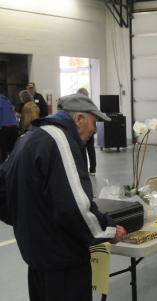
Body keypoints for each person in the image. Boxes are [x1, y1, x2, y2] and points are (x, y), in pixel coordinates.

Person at [0, 93, 126, 301]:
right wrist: (107, 228)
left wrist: (28, 224)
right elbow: (74, 206)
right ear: (79, 119)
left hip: (37, 260)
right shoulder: (61, 140)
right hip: (64, 263)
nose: (95, 129)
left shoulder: (28, 137)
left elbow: (3, 191)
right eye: (94, 122)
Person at [77, 87, 96, 175]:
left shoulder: (78, 105)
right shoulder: (90, 105)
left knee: (86, 149)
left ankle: (88, 169)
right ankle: (92, 170)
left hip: (85, 130)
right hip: (87, 130)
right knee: (89, 149)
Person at [0, 87, 19, 162]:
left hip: (5, 129)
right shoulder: (7, 100)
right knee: (12, 150)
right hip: (14, 128)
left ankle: (3, 170)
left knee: (3, 151)